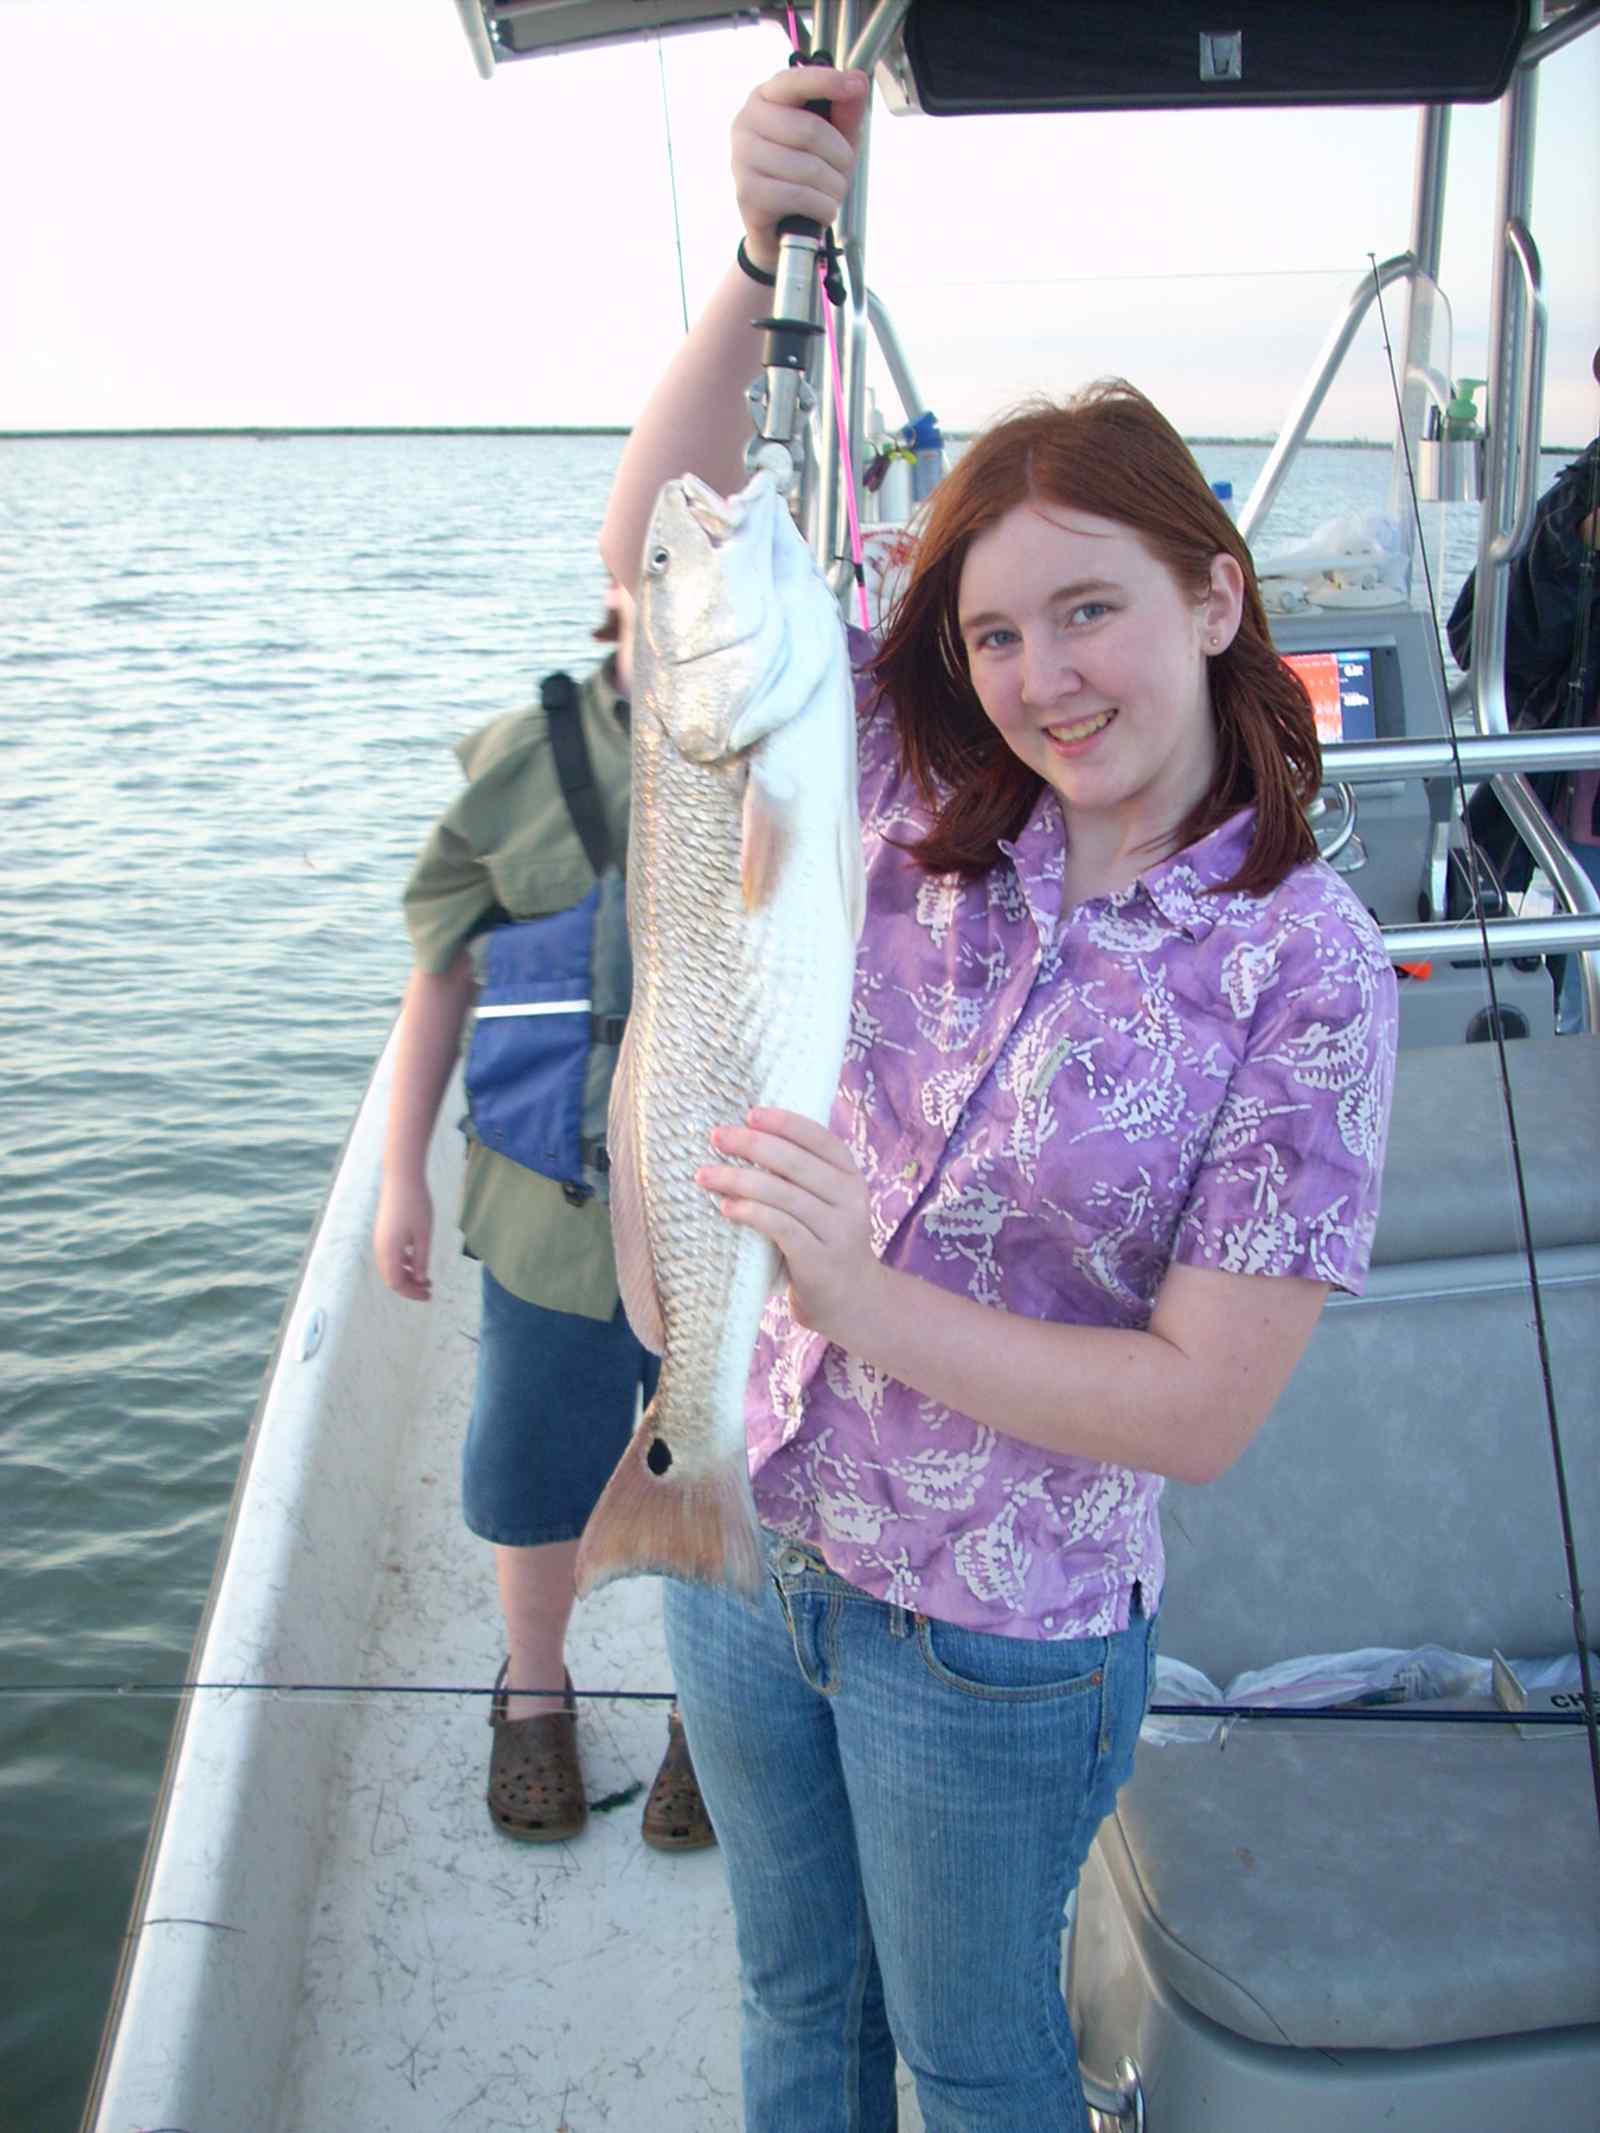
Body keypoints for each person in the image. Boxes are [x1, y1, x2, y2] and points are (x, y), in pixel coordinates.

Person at [598, 62, 1399, 2133]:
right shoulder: (910, 784)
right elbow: (660, 580)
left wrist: (862, 1302)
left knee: (972, 2061)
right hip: (751, 1521)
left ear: (1213, 596)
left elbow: (1198, 1408)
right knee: (793, 2008)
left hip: (998, 1632)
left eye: (1089, 610)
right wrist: (755, 258)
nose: (1045, 676)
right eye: (996, 632)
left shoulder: (1305, 968)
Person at [373, 580, 713, 1853]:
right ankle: (532, 1690)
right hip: (544, 1220)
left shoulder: (793, 759)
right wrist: (402, 1177)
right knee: (532, 1473)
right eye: (655, 581)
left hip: (722, 1235)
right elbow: (440, 972)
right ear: (614, 595)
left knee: (720, 1477)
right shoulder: (520, 763)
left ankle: (706, 1714)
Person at [1447, 353, 1600, 1031]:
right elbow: (1478, 642)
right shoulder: (1578, 501)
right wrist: (1575, 554)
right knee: (1575, 1019)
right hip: (1579, 824)